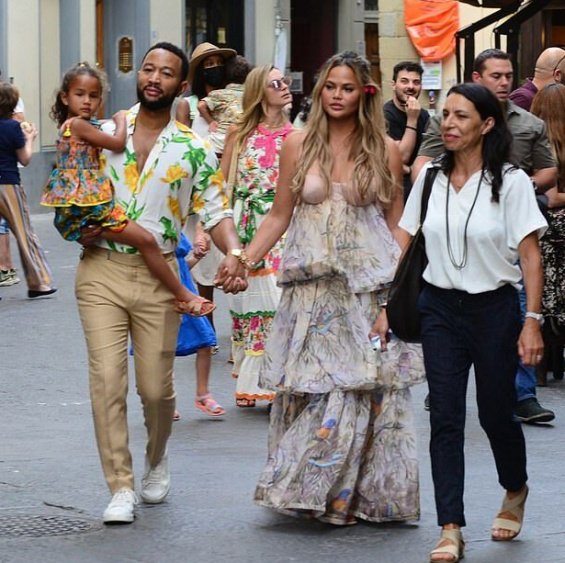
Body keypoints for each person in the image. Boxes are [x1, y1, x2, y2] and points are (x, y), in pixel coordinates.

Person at [233, 51, 425, 524]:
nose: (338, 96)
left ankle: (354, 496)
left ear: (363, 93)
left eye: (348, 88)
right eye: (331, 87)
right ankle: (310, 487)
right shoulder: (297, 144)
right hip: (313, 287)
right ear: (320, 92)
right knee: (316, 388)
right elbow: (280, 214)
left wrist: (395, 290)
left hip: (366, 285)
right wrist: (243, 259)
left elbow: (397, 221)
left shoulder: (383, 148)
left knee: (362, 388)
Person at [74, 42, 247, 524]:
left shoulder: (191, 147)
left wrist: (234, 251)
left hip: (162, 276)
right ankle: (120, 486)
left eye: (166, 72)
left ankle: (155, 456)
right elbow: (73, 186)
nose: (154, 78)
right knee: (107, 381)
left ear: (181, 86)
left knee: (155, 391)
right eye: (148, 69)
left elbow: (215, 208)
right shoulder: (105, 131)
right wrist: (76, 221)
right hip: (101, 270)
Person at [377, 83, 546, 562]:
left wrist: (531, 321)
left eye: (461, 116)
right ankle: (450, 526)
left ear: (486, 125)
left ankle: (515, 488)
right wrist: (386, 304)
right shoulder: (429, 176)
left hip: (494, 309)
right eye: (445, 114)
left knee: (496, 414)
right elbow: (406, 241)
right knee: (446, 417)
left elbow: (531, 256)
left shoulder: (511, 182)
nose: (448, 124)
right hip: (439, 309)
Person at [413, 48, 556, 423]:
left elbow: (548, 171)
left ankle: (521, 395)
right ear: (478, 78)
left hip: (506, 234)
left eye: (509, 75)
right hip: (454, 237)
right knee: (446, 406)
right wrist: (436, 190)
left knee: (518, 309)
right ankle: (444, 389)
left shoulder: (527, 123)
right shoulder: (447, 127)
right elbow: (424, 162)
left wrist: (520, 185)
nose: (505, 82)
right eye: (497, 75)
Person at [42, 62, 213, 317]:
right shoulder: (78, 125)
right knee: (146, 240)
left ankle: (179, 293)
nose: (87, 101)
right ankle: (183, 294)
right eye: (80, 94)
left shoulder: (77, 125)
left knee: (143, 242)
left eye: (94, 96)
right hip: (93, 205)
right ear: (65, 97)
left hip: (84, 205)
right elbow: (117, 143)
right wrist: (122, 119)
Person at [220, 65, 293, 408]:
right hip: (248, 221)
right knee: (251, 303)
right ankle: (255, 379)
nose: (284, 87)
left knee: (278, 303)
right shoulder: (239, 134)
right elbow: (224, 186)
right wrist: (217, 233)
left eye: (285, 81)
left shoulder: (298, 135)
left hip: (284, 226)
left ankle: (277, 381)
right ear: (259, 93)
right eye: (276, 83)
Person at [178, 42, 237, 344]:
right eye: (207, 63)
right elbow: (177, 141)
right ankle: (207, 328)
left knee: (231, 256)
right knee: (201, 262)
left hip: (229, 190)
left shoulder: (233, 101)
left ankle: (240, 325)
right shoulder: (189, 105)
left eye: (218, 61)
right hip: (195, 190)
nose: (214, 66)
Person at [0, 81, 56, 299]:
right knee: (25, 235)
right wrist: (30, 139)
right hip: (8, 184)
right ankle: (38, 283)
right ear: (13, 105)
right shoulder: (13, 128)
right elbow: (25, 158)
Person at [172, 232, 224, 419]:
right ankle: (166, 398)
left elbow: (181, 268)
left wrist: (196, 257)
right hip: (165, 294)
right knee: (163, 349)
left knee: (205, 341)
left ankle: (203, 393)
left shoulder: (176, 228)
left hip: (188, 295)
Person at [531, 84, 565, 334]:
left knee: (539, 313)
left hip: (539, 229)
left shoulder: (533, 142)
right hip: (554, 231)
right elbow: (552, 198)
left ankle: (540, 372)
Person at [384, 61, 430, 201]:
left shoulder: (424, 115)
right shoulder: (385, 115)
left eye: (416, 82)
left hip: (419, 181)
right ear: (394, 85)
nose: (411, 86)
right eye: (404, 81)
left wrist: (410, 169)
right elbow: (401, 157)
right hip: (395, 186)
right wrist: (412, 120)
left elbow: (430, 155)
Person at [197, 55, 252, 158]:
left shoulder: (218, 94)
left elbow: (201, 106)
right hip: (242, 142)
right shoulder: (251, 95)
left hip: (219, 142)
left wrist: (211, 122)